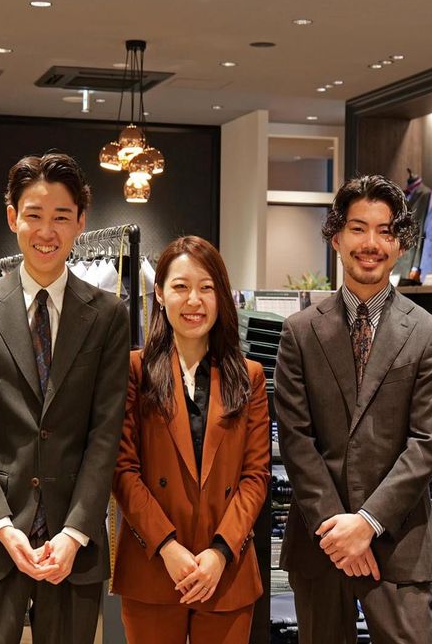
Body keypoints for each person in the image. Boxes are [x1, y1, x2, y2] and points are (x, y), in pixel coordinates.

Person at [0, 152, 130, 644]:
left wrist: (75, 532)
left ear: (81, 223)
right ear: (12, 218)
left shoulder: (108, 315)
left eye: (61, 217)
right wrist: (2, 526)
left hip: (73, 544)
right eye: (34, 215)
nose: (47, 231)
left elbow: (106, 433)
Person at [275, 174, 432, 644]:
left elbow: (427, 443)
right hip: (321, 542)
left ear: (400, 245)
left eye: (385, 231)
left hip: (399, 542)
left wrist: (368, 523)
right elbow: (296, 439)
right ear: (336, 237)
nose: (370, 243)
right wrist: (339, 530)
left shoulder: (430, 333)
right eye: (358, 228)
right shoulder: (299, 332)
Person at [112, 235, 269, 644]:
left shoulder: (249, 376)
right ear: (160, 293)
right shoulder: (135, 370)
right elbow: (123, 470)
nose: (194, 300)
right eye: (181, 287)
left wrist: (220, 552)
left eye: (206, 287)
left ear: (221, 296)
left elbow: (255, 477)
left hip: (226, 570)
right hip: (153, 565)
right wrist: (167, 547)